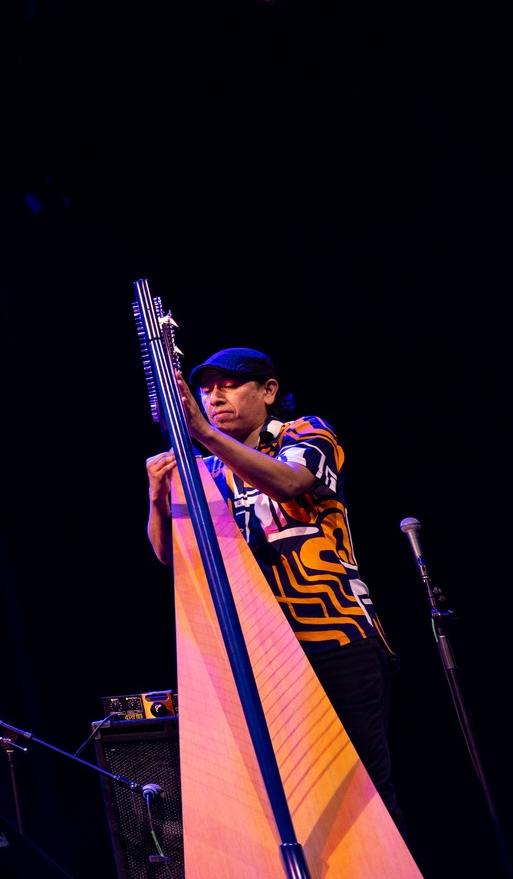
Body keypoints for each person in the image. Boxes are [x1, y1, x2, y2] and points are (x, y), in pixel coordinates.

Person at [144, 347, 402, 829]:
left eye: (229, 383)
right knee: (291, 804)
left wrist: (200, 432)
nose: (214, 395)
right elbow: (169, 556)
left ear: (268, 391)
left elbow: (289, 484)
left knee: (366, 794)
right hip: (261, 653)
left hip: (335, 636)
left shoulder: (304, 433)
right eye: (205, 388)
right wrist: (158, 501)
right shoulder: (206, 473)